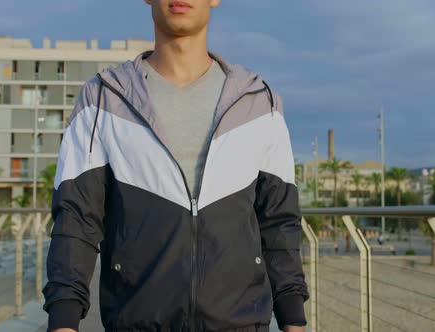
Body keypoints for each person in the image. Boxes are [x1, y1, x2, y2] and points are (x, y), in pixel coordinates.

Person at [43, 1, 309, 331]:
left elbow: (279, 221)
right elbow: (76, 218)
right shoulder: (102, 99)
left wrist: (293, 320)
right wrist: (63, 321)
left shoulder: (259, 101)